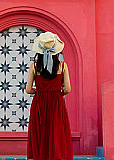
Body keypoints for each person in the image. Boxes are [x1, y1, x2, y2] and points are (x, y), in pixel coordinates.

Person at [25, 31, 73, 160]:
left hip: (39, 102)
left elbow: (28, 89)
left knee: (40, 134)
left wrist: (40, 91)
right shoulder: (63, 66)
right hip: (56, 103)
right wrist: (56, 92)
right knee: (56, 133)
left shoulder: (34, 66)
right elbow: (67, 89)